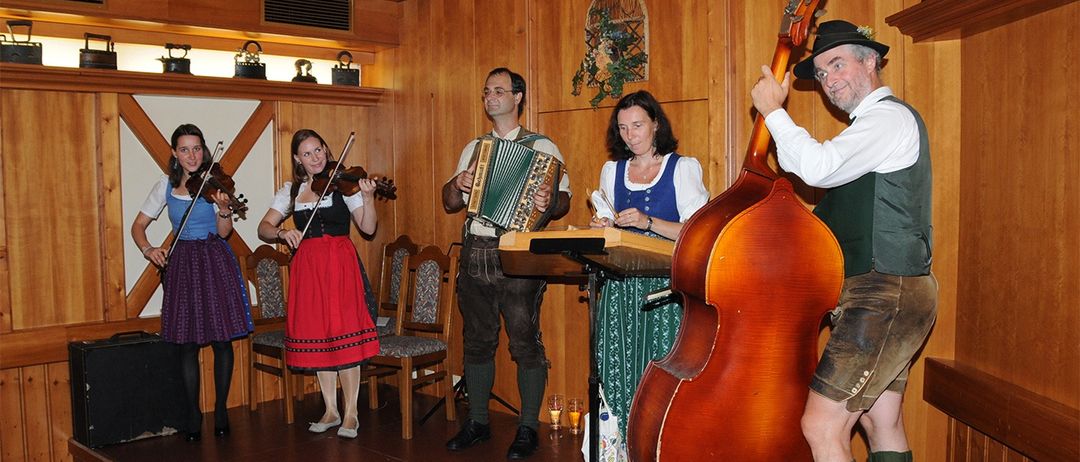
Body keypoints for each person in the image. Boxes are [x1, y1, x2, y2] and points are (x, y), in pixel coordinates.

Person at [750, 20, 937, 462]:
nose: (829, 80)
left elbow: (817, 167)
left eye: (837, 65)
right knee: (880, 421)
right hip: (892, 291)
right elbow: (817, 176)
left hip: (884, 292)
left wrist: (773, 112)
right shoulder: (868, 130)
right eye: (821, 73)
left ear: (870, 61)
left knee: (821, 425)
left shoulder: (887, 118)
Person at [442, 67, 571, 460]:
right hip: (476, 249)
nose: (490, 97)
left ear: (518, 97)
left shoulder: (543, 147)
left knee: (524, 341)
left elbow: (563, 201)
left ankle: (528, 426)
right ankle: (478, 421)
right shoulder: (475, 147)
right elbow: (449, 202)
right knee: (477, 340)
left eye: (498, 91)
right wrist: (458, 183)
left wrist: (548, 200)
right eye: (486, 92)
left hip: (517, 250)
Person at [587, 90, 709, 444]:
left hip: (664, 288)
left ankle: (664, 446)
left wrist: (648, 221)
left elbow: (695, 232)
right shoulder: (612, 171)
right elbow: (608, 224)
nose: (630, 135)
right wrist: (602, 226)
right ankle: (624, 445)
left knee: (662, 368)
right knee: (619, 367)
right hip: (621, 285)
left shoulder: (682, 168)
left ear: (656, 124)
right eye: (623, 128)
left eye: (638, 125)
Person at [130, 123, 253, 442]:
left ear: (204, 149)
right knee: (186, 343)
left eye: (197, 148)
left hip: (214, 259)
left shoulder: (214, 183)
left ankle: (221, 410)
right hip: (182, 262)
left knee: (222, 340)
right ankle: (193, 413)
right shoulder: (165, 185)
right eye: (184, 149)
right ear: (174, 153)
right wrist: (148, 249)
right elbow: (138, 226)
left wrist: (224, 209)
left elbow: (224, 233)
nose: (192, 155)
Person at [256, 129, 381, 439]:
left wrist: (368, 198)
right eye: (307, 154)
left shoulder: (344, 185)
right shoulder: (292, 191)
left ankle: (351, 413)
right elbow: (263, 228)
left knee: (344, 334)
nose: (315, 158)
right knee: (319, 335)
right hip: (308, 269)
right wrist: (282, 233)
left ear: (326, 149)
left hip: (339, 264)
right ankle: (331, 410)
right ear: (297, 159)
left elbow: (367, 228)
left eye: (318, 150)